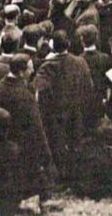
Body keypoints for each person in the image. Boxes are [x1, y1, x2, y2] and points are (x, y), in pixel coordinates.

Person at [0, 54, 54, 201]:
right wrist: (46, 156)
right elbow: (37, 127)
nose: (32, 72)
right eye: (30, 69)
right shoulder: (26, 95)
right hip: (20, 147)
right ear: (21, 72)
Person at [33, 31, 94, 175]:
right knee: (75, 142)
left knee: (58, 144)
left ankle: (62, 173)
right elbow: (89, 86)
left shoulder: (47, 66)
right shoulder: (80, 62)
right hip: (76, 109)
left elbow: (39, 91)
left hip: (56, 114)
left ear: (53, 46)